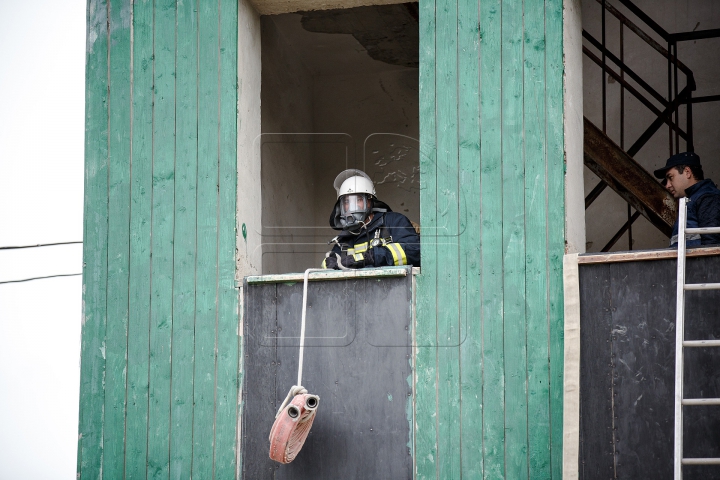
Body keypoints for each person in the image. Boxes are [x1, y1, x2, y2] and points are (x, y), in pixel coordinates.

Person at [321, 169, 420, 269]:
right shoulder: (345, 238)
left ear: (369, 201)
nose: (352, 206)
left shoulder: (393, 222)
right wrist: (329, 264)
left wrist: (373, 257)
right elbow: (327, 267)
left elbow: (415, 251)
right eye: (346, 202)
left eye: (358, 200)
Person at [654, 151, 720, 247]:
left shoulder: (708, 197)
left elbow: (711, 248)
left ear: (687, 172)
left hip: (695, 262)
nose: (667, 185)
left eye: (670, 177)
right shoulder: (692, 199)